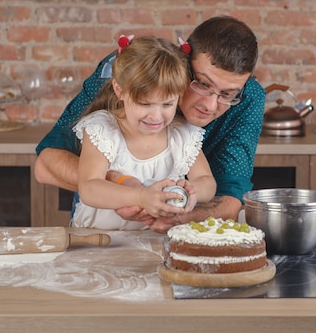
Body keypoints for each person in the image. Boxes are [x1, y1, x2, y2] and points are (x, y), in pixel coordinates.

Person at [35, 16, 266, 232]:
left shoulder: (247, 98)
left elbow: (230, 196)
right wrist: (127, 187)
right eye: (203, 84)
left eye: (227, 94)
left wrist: (175, 210)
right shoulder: (134, 69)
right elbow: (46, 166)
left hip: (164, 235)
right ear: (183, 64)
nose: (210, 104)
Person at [71, 35, 216, 230]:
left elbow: (207, 182)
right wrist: (141, 197)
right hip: (97, 243)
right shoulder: (103, 130)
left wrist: (191, 190)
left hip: (156, 242)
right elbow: (89, 187)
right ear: (119, 90)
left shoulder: (182, 135)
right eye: (145, 104)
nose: (156, 116)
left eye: (167, 104)